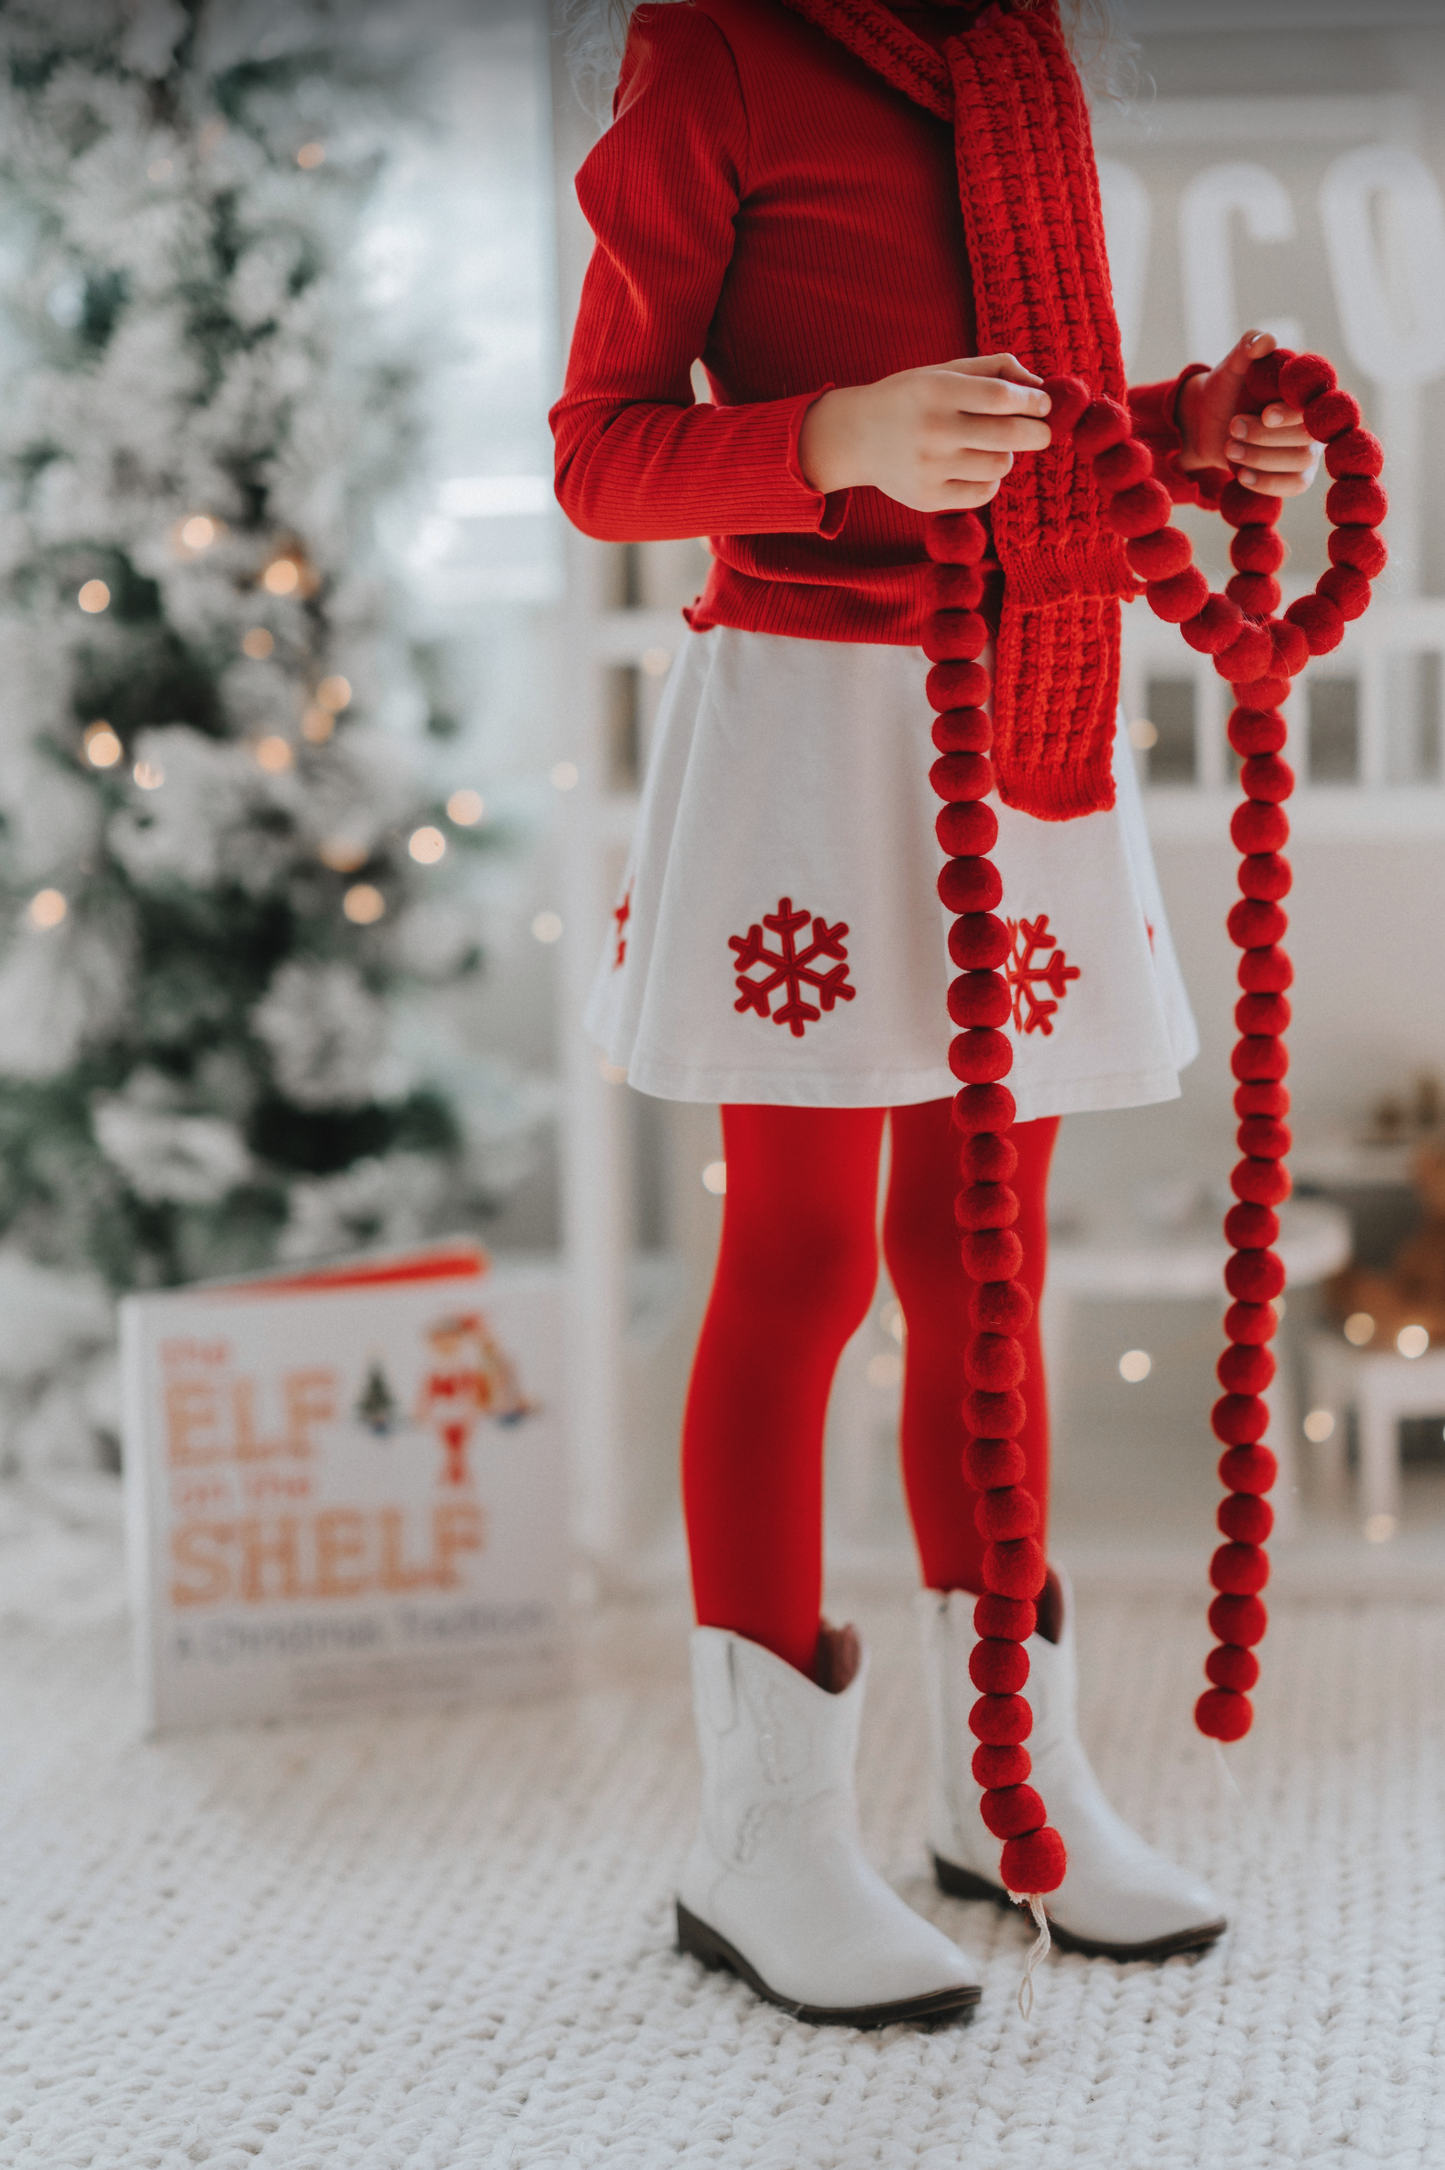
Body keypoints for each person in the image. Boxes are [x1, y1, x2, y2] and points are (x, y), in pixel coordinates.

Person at [552, 0, 1319, 2027]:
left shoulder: (1015, 54)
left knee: (978, 1266)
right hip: (814, 727)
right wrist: (830, 436)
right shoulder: (709, 50)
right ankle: (762, 1827)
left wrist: (1173, 424)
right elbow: (599, 455)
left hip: (1024, 707)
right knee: (795, 1261)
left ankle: (1012, 1778)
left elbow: (1023, 422)